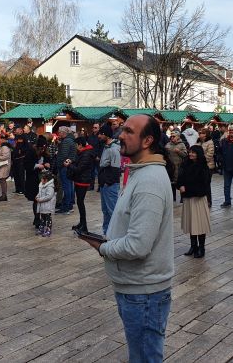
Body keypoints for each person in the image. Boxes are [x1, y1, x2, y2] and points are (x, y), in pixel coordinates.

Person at [79, 114, 174, 363]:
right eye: (122, 129)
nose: (121, 135)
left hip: (143, 293)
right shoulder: (140, 173)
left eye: (129, 131)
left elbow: (138, 245)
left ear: (147, 141)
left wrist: (104, 247)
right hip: (136, 289)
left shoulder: (149, 181)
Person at [177, 145, 211, 258]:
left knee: (199, 223)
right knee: (191, 222)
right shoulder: (185, 164)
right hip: (188, 198)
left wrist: (188, 188)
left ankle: (201, 247)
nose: (191, 154)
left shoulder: (203, 167)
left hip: (198, 199)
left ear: (198, 154)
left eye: (193, 152)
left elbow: (204, 184)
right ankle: (193, 246)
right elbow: (180, 178)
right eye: (190, 152)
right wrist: (180, 185)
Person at [66, 136, 95, 233]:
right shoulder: (83, 152)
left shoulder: (86, 154)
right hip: (79, 180)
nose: (75, 147)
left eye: (76, 145)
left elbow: (79, 169)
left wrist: (69, 165)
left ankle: (84, 225)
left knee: (80, 202)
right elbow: (79, 163)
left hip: (83, 181)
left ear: (80, 145)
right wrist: (72, 162)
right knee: (79, 202)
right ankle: (82, 223)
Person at [97, 123, 121, 234]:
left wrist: (108, 182)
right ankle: (106, 232)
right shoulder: (106, 147)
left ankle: (115, 234)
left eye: (101, 134)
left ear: (106, 135)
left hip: (110, 185)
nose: (99, 136)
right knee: (105, 210)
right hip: (104, 184)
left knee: (112, 211)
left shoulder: (114, 149)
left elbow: (116, 169)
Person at [55, 126, 77, 215]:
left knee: (67, 186)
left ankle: (66, 207)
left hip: (65, 167)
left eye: (59, 132)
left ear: (63, 133)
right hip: (69, 166)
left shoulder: (66, 141)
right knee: (69, 186)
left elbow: (64, 155)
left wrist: (59, 165)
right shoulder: (70, 140)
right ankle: (70, 204)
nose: (58, 134)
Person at [165, 130, 188, 202]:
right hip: (171, 167)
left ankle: (182, 197)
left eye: (173, 136)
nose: (172, 138)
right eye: (171, 136)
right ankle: (173, 197)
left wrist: (179, 151)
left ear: (178, 137)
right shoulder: (168, 144)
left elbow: (185, 155)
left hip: (179, 166)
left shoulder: (182, 144)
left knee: (180, 182)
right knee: (172, 182)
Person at [196, 128, 215, 207]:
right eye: (199, 133)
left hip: (208, 167)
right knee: (199, 183)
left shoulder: (210, 142)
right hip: (198, 166)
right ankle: (201, 200)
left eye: (202, 133)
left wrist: (200, 160)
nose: (200, 134)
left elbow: (209, 155)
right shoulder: (198, 142)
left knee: (206, 184)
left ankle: (208, 201)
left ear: (206, 134)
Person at [35, 170, 56, 237]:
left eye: (42, 178)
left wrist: (40, 199)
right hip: (42, 206)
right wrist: (37, 196)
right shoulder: (41, 185)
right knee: (42, 218)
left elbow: (49, 196)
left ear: (46, 180)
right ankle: (42, 228)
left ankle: (48, 229)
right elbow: (40, 192)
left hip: (47, 206)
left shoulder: (50, 187)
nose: (41, 180)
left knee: (48, 219)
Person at [87, 123, 102, 190]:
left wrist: (99, 155)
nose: (94, 128)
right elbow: (88, 145)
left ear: (98, 128)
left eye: (95, 127)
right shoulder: (90, 136)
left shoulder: (100, 136)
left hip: (97, 156)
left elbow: (101, 147)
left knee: (99, 172)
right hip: (91, 156)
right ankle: (91, 185)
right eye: (93, 127)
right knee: (91, 172)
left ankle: (100, 186)